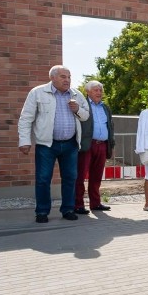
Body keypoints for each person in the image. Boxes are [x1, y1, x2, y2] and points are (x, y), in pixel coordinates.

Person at [18, 65, 90, 223]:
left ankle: (68, 209)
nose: (67, 80)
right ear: (52, 78)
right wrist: (24, 140)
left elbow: (85, 115)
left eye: (69, 77)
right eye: (63, 77)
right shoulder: (38, 92)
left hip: (70, 144)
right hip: (46, 145)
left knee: (70, 177)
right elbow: (26, 118)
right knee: (43, 179)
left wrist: (77, 109)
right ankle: (42, 212)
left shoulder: (76, 94)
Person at [74, 80, 115, 215]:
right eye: (95, 90)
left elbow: (110, 126)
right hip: (87, 145)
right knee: (80, 176)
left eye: (100, 90)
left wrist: (111, 144)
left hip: (102, 145)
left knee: (97, 177)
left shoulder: (105, 108)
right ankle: (78, 204)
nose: (99, 93)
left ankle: (95, 203)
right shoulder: (83, 105)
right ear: (88, 92)